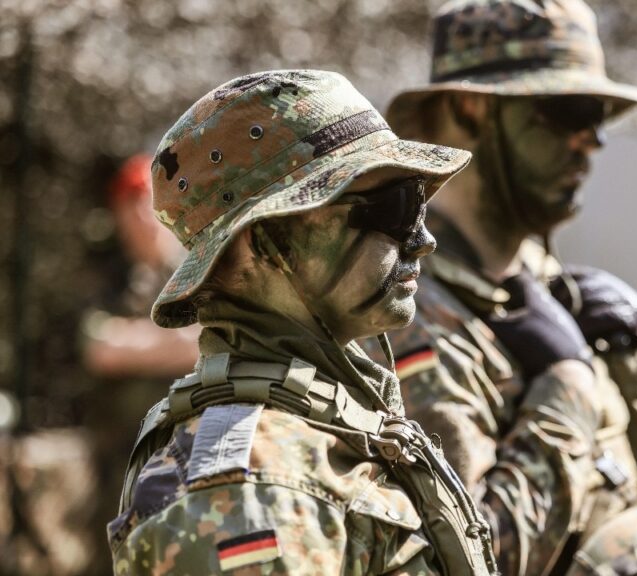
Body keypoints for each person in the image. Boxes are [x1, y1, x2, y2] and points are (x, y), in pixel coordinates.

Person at [107, 69, 499, 575]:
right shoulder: (244, 494)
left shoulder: (322, 427)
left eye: (420, 204)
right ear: (261, 240)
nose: (423, 241)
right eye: (395, 207)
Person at [374, 1, 637, 574]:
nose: (592, 143)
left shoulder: (551, 291)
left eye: (599, 118)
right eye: (569, 113)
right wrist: (571, 386)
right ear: (472, 106)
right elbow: (476, 556)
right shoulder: (401, 308)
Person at [79, 155, 200, 574]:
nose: (140, 219)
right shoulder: (104, 279)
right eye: (128, 208)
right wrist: (172, 341)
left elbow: (202, 346)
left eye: (147, 204)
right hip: (121, 457)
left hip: (189, 451)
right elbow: (100, 351)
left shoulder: (197, 274)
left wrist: (133, 342)